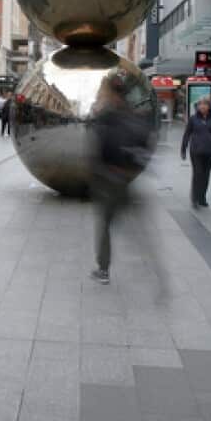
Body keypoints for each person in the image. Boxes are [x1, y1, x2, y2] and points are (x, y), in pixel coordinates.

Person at [89, 71, 140, 284]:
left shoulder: (108, 115)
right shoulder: (130, 114)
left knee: (106, 226)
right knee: (117, 226)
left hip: (111, 181)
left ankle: (103, 269)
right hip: (123, 179)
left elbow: (101, 147)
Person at [181, 97, 211, 208]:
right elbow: (187, 134)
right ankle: (195, 197)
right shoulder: (193, 119)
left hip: (209, 151)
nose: (203, 106)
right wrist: (183, 148)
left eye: (205, 104)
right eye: (200, 104)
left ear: (209, 107)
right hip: (196, 151)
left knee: (206, 175)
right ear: (198, 106)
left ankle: (202, 197)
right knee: (198, 173)